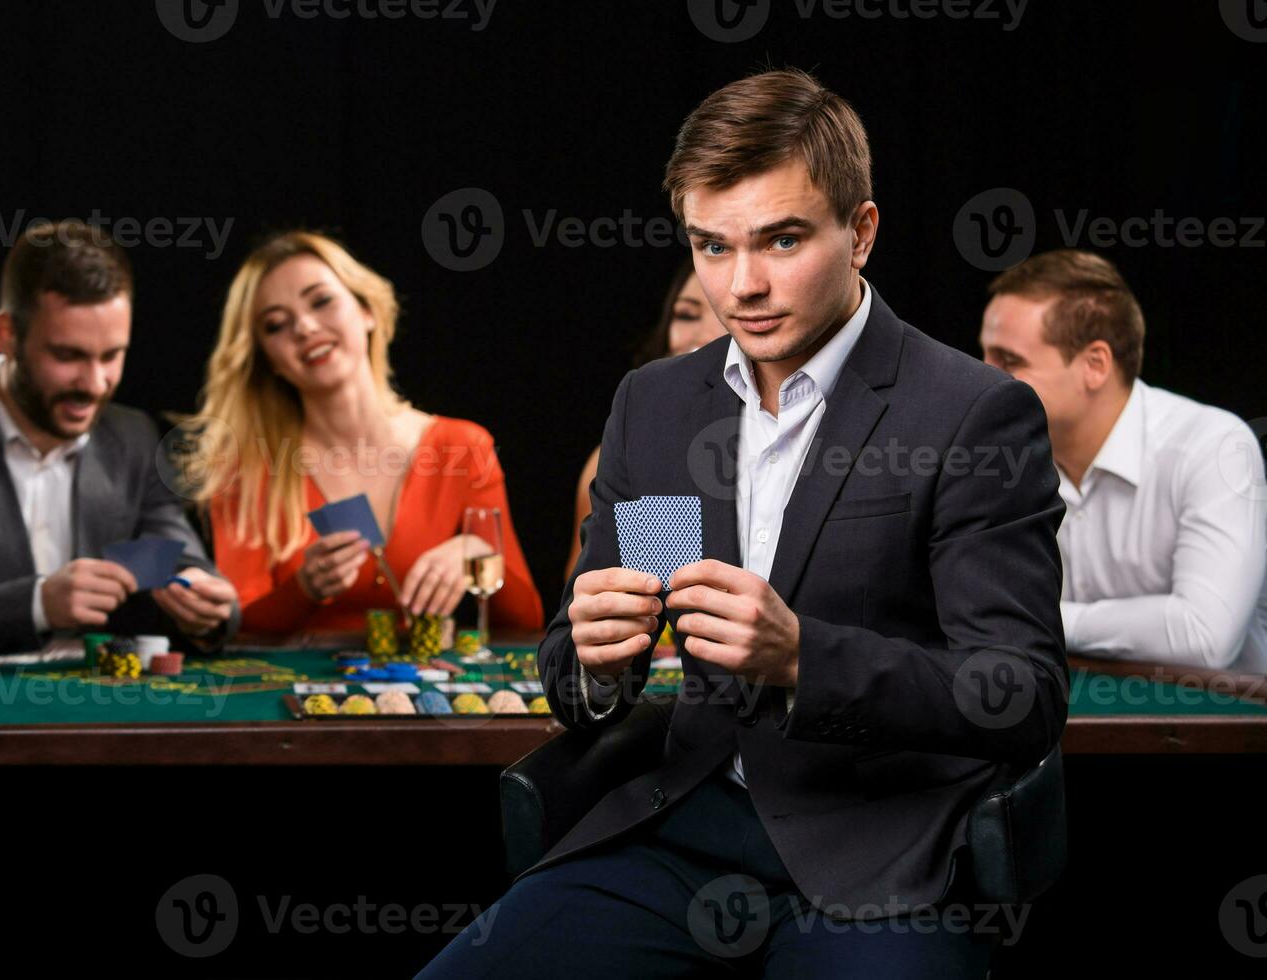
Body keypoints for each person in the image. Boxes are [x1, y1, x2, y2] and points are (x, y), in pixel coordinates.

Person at [420, 69, 1067, 978]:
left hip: (875, 859)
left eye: (782, 239)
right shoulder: (658, 406)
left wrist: (805, 656)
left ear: (862, 234)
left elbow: (1023, 694)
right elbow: (602, 650)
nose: (744, 285)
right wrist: (603, 661)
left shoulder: (972, 412)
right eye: (712, 248)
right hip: (672, 835)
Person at [0, 220, 240, 661]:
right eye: (67, 356)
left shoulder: (133, 437)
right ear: (7, 335)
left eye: (111, 356)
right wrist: (36, 604)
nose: (94, 383)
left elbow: (186, 564)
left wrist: (207, 605)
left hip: (103, 717)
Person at [178, 231, 543, 634]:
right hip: (285, 695)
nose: (305, 327)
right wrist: (304, 588)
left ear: (367, 310)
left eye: (321, 301)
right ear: (268, 361)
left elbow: (526, 624)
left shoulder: (463, 447)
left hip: (417, 693)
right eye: (276, 325)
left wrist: (477, 554)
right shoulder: (242, 468)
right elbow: (235, 631)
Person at [981, 249, 1267, 672]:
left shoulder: (1213, 446)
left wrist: (1041, 618)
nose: (982, 375)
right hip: (1072, 727)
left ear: (1095, 365)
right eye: (985, 355)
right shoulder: (998, 460)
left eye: (1009, 360)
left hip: (1223, 727)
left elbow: (1205, 637)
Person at [565, 256, 727, 580]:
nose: (702, 335)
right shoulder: (635, 458)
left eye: (724, 314)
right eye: (686, 315)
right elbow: (649, 594)